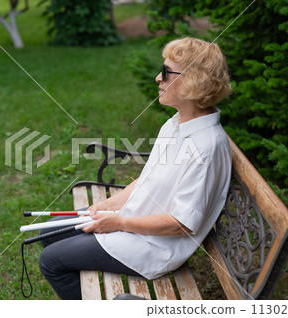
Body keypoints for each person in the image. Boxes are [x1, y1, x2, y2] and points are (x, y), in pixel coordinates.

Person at [38, 37, 233, 300]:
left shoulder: (206, 147)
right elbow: (147, 179)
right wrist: (108, 205)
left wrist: (119, 222)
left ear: (192, 82)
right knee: (49, 231)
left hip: (154, 246)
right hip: (135, 220)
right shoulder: (176, 123)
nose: (157, 78)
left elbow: (182, 224)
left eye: (165, 72)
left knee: (51, 260)